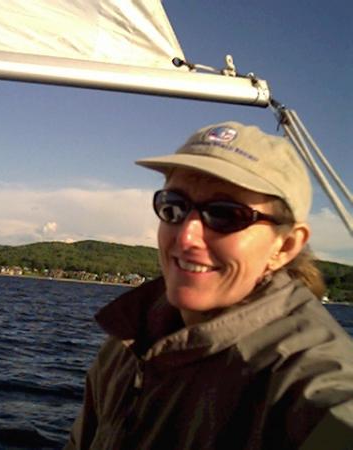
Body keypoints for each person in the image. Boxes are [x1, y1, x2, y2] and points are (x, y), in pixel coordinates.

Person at [65, 122, 353, 450]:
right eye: (174, 207)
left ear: (285, 246)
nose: (187, 237)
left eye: (226, 215)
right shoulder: (128, 344)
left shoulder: (304, 379)